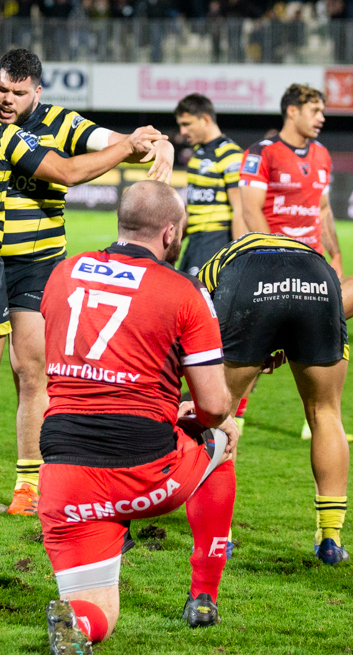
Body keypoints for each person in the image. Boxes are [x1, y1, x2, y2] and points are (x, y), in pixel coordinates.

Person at [0, 48, 175, 516]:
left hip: (35, 266)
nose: (6, 100)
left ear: (37, 93)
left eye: (18, 93)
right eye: (0, 89)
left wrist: (159, 143)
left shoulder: (62, 123)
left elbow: (118, 140)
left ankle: (28, 482)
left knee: (29, 368)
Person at [37, 181, 240, 654]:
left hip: (64, 472)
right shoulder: (182, 290)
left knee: (99, 614)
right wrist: (192, 413)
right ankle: (204, 593)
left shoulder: (64, 273)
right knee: (223, 438)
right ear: (170, 234)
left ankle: (76, 627)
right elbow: (213, 405)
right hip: (145, 471)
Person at [198, 232, 353, 565]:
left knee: (219, 415)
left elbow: (197, 316)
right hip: (317, 278)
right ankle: (331, 539)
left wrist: (260, 343)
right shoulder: (313, 256)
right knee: (326, 414)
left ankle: (219, 538)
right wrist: (286, 337)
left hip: (249, 279)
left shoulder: (218, 264)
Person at [238, 83, 353, 319]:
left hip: (314, 263)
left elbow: (324, 209)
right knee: (328, 332)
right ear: (292, 111)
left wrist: (335, 255)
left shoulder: (322, 154)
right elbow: (250, 210)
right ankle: (306, 326)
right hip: (275, 263)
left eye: (322, 111)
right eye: (314, 110)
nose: (321, 118)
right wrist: (275, 257)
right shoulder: (261, 153)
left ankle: (303, 325)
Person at [175, 93, 246, 276]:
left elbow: (240, 210)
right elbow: (193, 208)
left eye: (186, 124)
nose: (182, 132)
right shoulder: (197, 155)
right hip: (194, 244)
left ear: (205, 119)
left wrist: (239, 256)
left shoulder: (231, 155)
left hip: (217, 241)